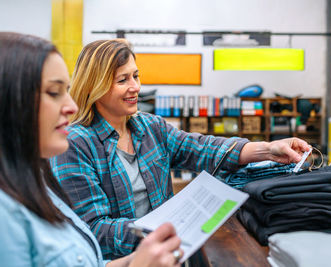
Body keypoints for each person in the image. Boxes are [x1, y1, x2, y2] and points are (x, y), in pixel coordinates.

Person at [50, 38, 310, 259]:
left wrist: (268, 149)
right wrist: (162, 229)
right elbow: (92, 229)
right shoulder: (75, 144)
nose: (136, 87)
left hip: (170, 255)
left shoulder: (150, 127)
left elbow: (201, 148)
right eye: (122, 80)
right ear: (96, 85)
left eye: (136, 76)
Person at [0, 32, 183, 267]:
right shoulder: (7, 214)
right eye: (54, 92)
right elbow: (96, 227)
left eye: (136, 76)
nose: (71, 105)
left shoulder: (37, 184)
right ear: (10, 101)